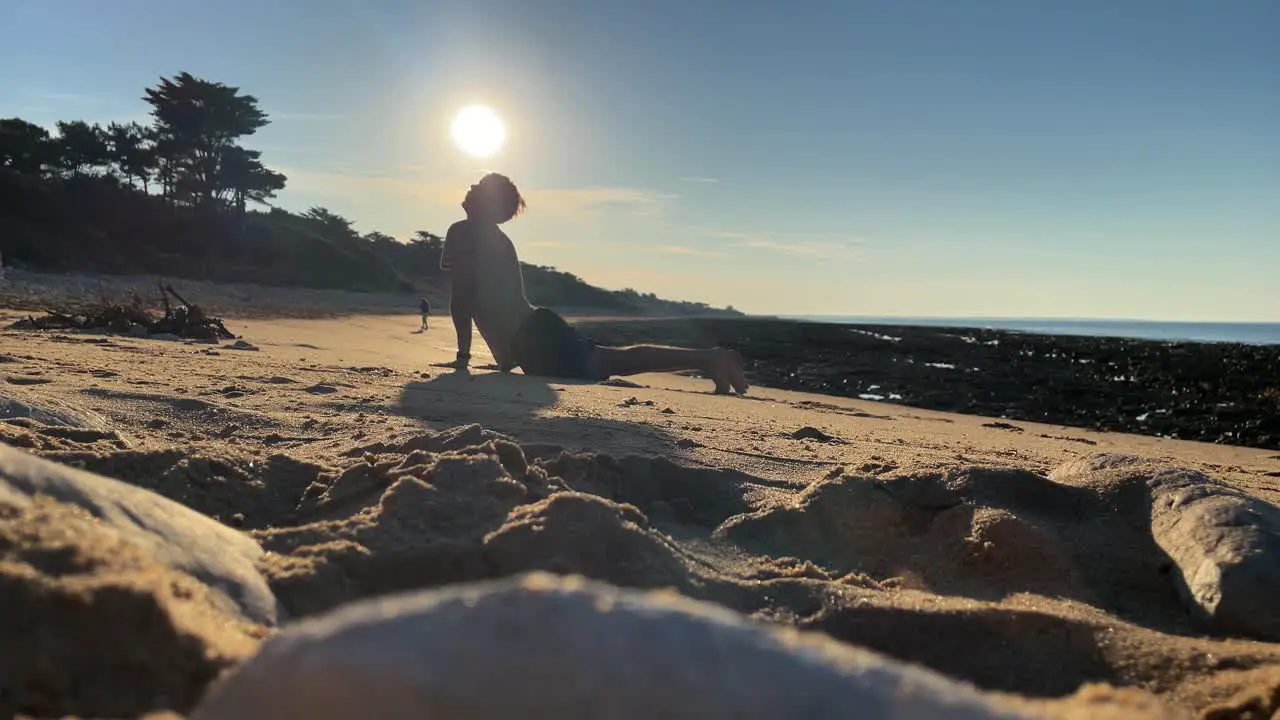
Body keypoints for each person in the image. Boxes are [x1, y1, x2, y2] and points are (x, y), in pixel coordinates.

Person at [436, 173, 748, 394]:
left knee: (614, 361)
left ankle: (712, 358)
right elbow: (488, 299)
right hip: (537, 333)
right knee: (615, 360)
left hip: (537, 338)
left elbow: (462, 297)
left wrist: (464, 358)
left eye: (479, 185)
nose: (471, 186)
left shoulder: (464, 231)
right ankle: (710, 358)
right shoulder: (494, 237)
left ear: (489, 202)